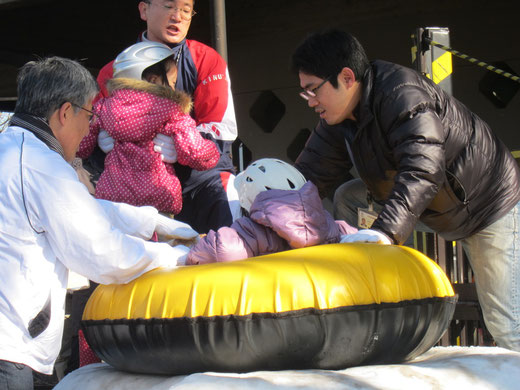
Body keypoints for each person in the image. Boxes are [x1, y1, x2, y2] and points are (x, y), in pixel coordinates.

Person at [291, 28, 520, 352]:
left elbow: (423, 170)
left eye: (313, 90)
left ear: (346, 77)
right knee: (349, 197)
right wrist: (264, 210)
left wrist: (385, 231)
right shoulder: (338, 118)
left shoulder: (402, 94)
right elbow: (307, 177)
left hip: (487, 205)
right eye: (305, 93)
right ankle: (379, 289)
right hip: (435, 206)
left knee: (506, 325)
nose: (311, 102)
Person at [0, 56, 199, 388]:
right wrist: (178, 256)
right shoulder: (40, 164)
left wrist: (153, 223)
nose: (90, 127)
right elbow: (101, 253)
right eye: (89, 115)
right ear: (65, 112)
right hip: (11, 350)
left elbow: (83, 209)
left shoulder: (14, 150)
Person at [86, 0, 240, 233]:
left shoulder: (206, 59)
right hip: (130, 186)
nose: (177, 16)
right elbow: (85, 133)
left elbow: (222, 129)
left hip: (202, 180)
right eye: (169, 6)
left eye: (186, 10)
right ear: (143, 9)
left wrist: (181, 148)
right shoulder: (112, 70)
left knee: (230, 228)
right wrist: (100, 145)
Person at [77, 41, 220, 215]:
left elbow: (81, 146)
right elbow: (197, 154)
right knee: (160, 242)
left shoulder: (103, 107)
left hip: (112, 200)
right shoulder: (172, 111)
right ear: (154, 80)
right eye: (173, 83)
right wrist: (213, 152)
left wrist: (100, 143)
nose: (175, 88)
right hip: (158, 200)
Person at [187, 158, 357, 265]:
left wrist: (184, 254)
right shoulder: (327, 224)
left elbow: (222, 249)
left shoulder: (251, 232)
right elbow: (354, 237)